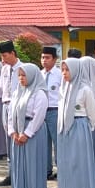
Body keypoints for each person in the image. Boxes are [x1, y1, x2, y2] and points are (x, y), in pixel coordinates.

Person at [57, 57, 95, 188]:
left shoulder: (84, 89)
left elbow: (92, 112)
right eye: (63, 70)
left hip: (79, 126)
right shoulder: (64, 87)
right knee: (66, 164)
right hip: (64, 129)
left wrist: (87, 129)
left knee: (78, 164)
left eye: (67, 70)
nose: (64, 73)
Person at [8, 64, 49, 188]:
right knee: (18, 164)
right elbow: (10, 113)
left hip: (33, 132)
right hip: (17, 131)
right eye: (19, 75)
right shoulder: (17, 92)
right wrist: (12, 131)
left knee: (32, 164)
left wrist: (27, 133)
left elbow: (39, 116)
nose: (21, 78)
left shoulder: (39, 93)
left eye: (24, 75)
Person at [0, 41, 23, 186]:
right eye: (1, 56)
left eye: (5, 56)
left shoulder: (23, 68)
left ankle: (19, 171)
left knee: (17, 137)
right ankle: (10, 173)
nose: (3, 59)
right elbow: (1, 87)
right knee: (8, 139)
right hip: (5, 105)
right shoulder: (4, 69)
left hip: (17, 106)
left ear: (13, 53)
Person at [40, 46, 62, 180]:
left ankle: (61, 169)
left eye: (47, 58)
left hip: (55, 111)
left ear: (54, 59)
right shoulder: (39, 74)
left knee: (58, 142)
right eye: (42, 57)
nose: (44, 60)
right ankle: (46, 169)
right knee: (44, 142)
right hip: (42, 112)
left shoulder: (60, 74)